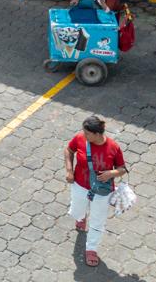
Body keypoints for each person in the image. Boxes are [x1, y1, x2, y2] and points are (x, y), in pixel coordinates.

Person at [64, 115, 127, 268]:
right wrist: (69, 170)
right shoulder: (80, 138)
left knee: (98, 220)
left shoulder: (113, 147)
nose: (84, 135)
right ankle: (81, 217)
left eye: (87, 133)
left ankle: (91, 249)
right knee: (77, 211)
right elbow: (68, 150)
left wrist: (110, 174)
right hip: (80, 185)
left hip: (101, 191)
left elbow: (122, 169)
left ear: (97, 134)